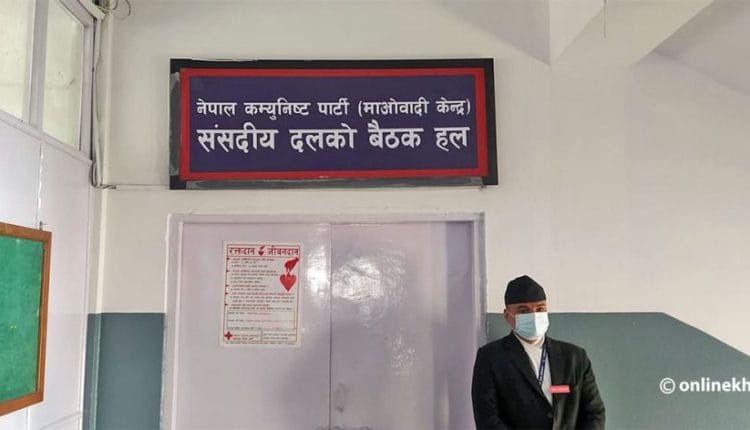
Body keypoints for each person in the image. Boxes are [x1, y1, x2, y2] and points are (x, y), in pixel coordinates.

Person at [471, 275, 606, 429]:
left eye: (540, 309)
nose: (534, 316)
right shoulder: (491, 358)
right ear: (508, 316)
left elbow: (594, 413)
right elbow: (487, 419)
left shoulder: (575, 357)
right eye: (524, 311)